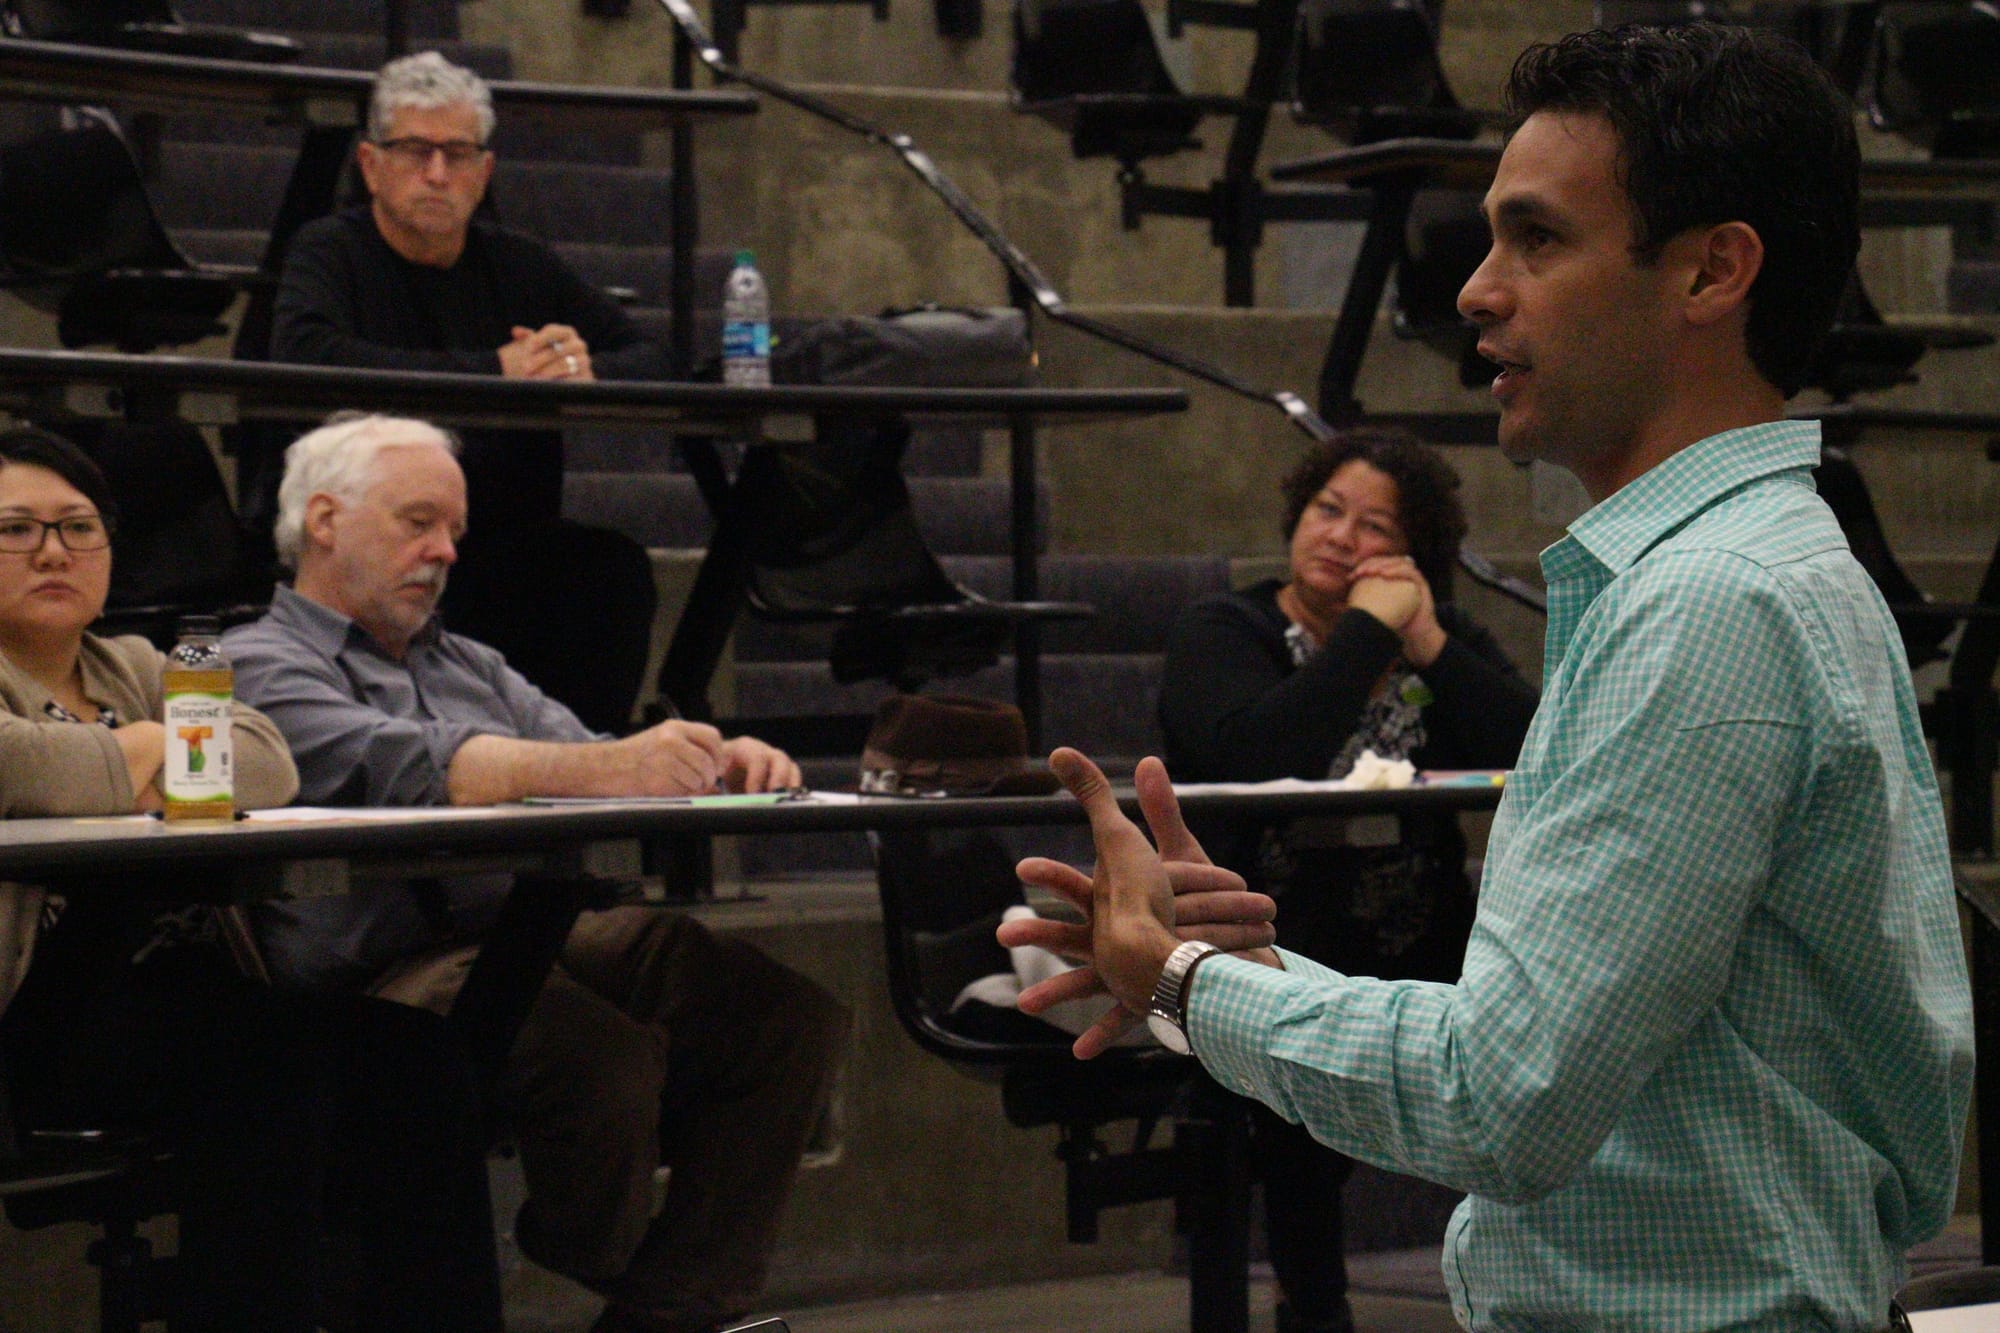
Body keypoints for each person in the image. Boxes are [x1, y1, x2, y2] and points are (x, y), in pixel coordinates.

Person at [1004, 23, 1974, 1331]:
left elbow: (1499, 1097)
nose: (1473, 290)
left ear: (1711, 270)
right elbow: (1552, 1049)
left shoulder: (1706, 604)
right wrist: (1243, 977)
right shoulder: (1754, 569)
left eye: (1537, 238)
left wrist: (1177, 982)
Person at [223, 412, 847, 1333]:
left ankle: (669, 1315)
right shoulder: (250, 665)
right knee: (600, 1057)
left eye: (455, 532)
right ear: (324, 520)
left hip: (530, 932)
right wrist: (615, 763)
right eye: (418, 522)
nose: (445, 552)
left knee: (781, 1013)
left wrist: (718, 762)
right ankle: (617, 1266)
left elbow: (595, 756)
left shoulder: (468, 662)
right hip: (382, 973)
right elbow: (409, 763)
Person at [0, 425, 503, 1331]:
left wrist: (132, 753)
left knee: (419, 1058)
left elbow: (268, 761)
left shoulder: (137, 664)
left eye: (79, 528)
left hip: (175, 989)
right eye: (15, 529)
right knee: (271, 1068)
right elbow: (20, 766)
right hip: (31, 1011)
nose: (53, 551)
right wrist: (152, 748)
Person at [1157, 427, 1537, 1333]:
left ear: (1414, 555)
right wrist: (1367, 630)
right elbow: (1256, 756)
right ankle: (1314, 1306)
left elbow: (1537, 746)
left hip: (1425, 932)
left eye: (1373, 526)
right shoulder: (1228, 629)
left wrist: (1429, 641)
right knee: (1294, 1072)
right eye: (1328, 510)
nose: (1339, 535)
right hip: (1264, 929)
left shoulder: (1436, 638)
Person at [260, 50, 667, 733]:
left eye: (457, 154)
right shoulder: (328, 250)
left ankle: (588, 766)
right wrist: (494, 371)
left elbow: (654, 356)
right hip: (373, 539)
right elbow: (308, 356)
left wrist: (580, 367)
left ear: (485, 171)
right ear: (370, 165)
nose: (437, 173)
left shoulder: (522, 262)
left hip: (507, 533)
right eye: (415, 151)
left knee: (610, 570)